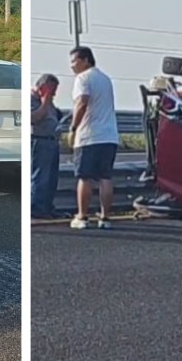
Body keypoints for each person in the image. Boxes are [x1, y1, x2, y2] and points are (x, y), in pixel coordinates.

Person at [68, 46, 119, 229]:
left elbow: (82, 103)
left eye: (74, 61)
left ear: (86, 60)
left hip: (89, 135)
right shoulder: (105, 79)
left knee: (85, 177)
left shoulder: (83, 78)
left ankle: (82, 217)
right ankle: (105, 218)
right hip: (109, 135)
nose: (72, 66)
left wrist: (73, 128)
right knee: (105, 177)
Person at [30, 73, 62, 219]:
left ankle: (48, 207)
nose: (54, 94)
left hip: (51, 141)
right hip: (39, 140)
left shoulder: (50, 102)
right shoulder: (32, 99)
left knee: (51, 178)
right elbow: (34, 118)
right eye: (52, 90)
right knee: (40, 177)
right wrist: (45, 101)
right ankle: (37, 208)